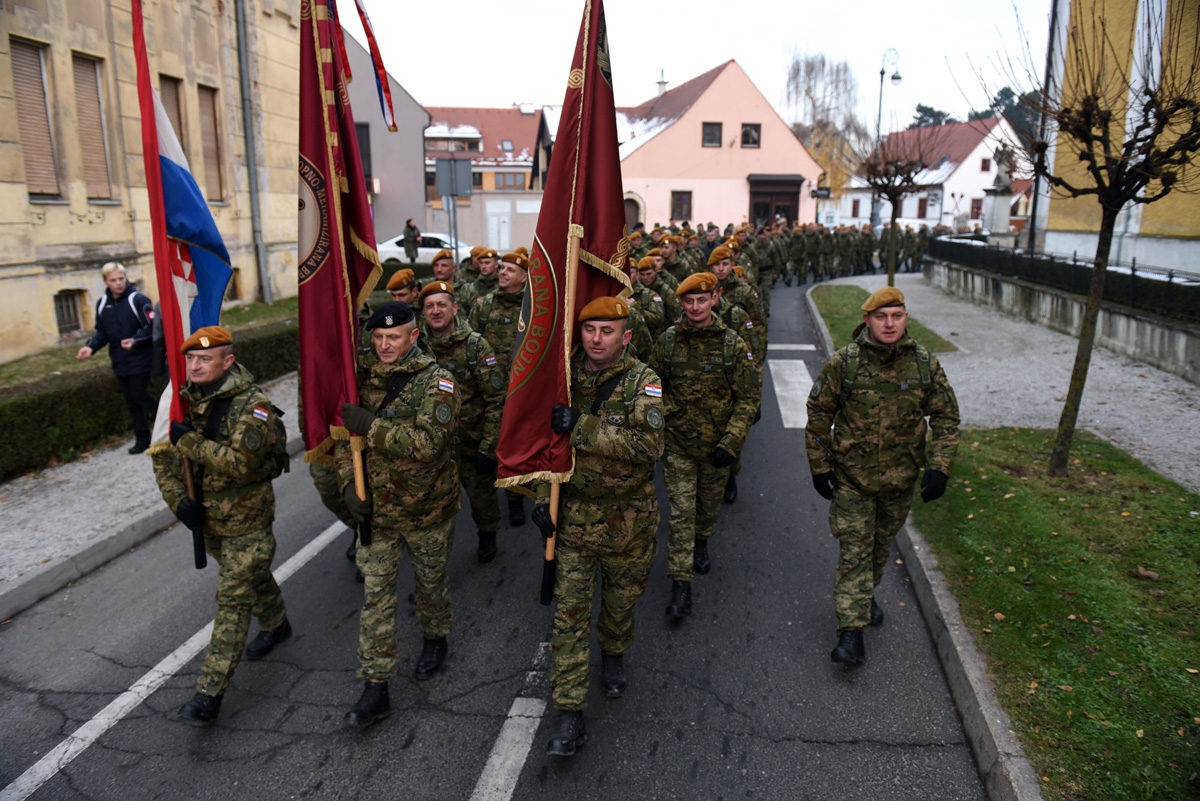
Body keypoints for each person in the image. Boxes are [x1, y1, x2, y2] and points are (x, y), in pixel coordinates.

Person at [531, 297, 665, 757]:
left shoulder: (643, 382)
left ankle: (613, 653)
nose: (596, 338)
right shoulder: (563, 377)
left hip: (627, 520)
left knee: (619, 605)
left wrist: (581, 426)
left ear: (625, 337)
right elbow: (544, 445)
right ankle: (569, 712)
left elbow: (647, 447)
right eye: (590, 330)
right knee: (568, 616)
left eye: (607, 331)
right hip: (574, 521)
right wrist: (538, 499)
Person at [805, 287, 960, 664]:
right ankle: (850, 632)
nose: (889, 324)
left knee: (878, 548)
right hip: (852, 481)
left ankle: (863, 595)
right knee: (855, 551)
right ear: (867, 320)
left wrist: (939, 467)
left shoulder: (924, 364)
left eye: (896, 316)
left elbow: (946, 417)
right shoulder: (846, 364)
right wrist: (820, 467)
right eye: (881, 317)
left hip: (900, 481)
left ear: (905, 318)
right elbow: (818, 417)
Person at [150, 326, 292, 723]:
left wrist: (190, 442)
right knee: (252, 577)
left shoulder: (253, 406)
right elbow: (161, 459)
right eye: (190, 359)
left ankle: (209, 694)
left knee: (232, 600)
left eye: (205, 359)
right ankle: (277, 623)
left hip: (247, 520)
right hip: (208, 521)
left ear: (227, 361)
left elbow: (240, 464)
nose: (195, 365)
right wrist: (179, 503)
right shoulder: (179, 403)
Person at [337, 301, 461, 726]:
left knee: (429, 585)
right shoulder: (361, 378)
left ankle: (435, 636)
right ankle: (376, 686)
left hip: (428, 510)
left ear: (414, 336)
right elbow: (342, 444)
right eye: (377, 338)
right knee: (376, 598)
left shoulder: (438, 382)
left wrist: (370, 425)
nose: (384, 345)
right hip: (379, 517)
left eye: (393, 337)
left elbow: (428, 445)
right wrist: (348, 490)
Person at [648, 273, 759, 621]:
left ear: (715, 298)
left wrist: (731, 441)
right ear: (681, 303)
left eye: (702, 299)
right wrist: (668, 415)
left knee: (706, 509)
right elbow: (651, 388)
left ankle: (702, 541)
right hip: (678, 445)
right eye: (688, 301)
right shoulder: (667, 342)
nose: (695, 307)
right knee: (681, 513)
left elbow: (748, 398)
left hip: (717, 448)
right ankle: (681, 585)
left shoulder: (732, 345)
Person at [418, 281, 506, 562]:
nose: (436, 311)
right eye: (429, 306)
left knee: (482, 500)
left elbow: (496, 399)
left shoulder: (475, 346)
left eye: (442, 304)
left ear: (455, 308)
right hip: (432, 446)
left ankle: (488, 533)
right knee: (430, 507)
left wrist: (488, 448)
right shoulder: (415, 346)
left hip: (471, 442)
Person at [470, 251, 528, 527]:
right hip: (489, 392)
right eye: (502, 268)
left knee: (517, 449)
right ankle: (488, 507)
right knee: (488, 446)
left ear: (525, 277)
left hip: (521, 393)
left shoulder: (533, 307)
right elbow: (471, 343)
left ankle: (515, 499)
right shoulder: (484, 305)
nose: (503, 272)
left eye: (510, 270)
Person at [76, 262, 157, 454]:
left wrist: (135, 340)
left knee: (138, 393)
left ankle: (173, 421)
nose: (119, 283)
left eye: (121, 278)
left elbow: (153, 326)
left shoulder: (137, 299)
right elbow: (102, 333)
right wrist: (90, 348)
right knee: (130, 400)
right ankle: (143, 439)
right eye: (113, 280)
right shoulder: (103, 304)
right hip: (120, 360)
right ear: (106, 282)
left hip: (141, 358)